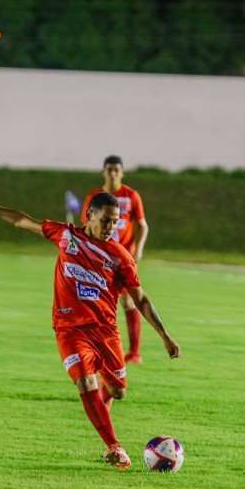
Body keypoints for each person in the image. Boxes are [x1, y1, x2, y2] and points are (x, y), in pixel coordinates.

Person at [0, 191, 180, 469]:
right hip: (70, 329)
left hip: (106, 331)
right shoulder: (66, 236)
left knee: (117, 390)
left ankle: (100, 413)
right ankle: (114, 446)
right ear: (89, 215)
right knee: (85, 382)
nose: (111, 228)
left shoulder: (120, 256)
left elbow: (141, 299)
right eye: (106, 220)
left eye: (115, 222)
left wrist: (165, 336)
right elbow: (21, 220)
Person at [81, 155, 148, 363]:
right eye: (109, 169)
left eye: (116, 170)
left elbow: (142, 225)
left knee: (128, 300)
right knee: (99, 300)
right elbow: (86, 227)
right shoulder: (94, 196)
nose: (112, 173)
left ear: (122, 173)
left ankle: (134, 353)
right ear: (103, 171)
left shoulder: (131, 195)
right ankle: (99, 348)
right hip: (100, 258)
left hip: (122, 258)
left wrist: (138, 250)